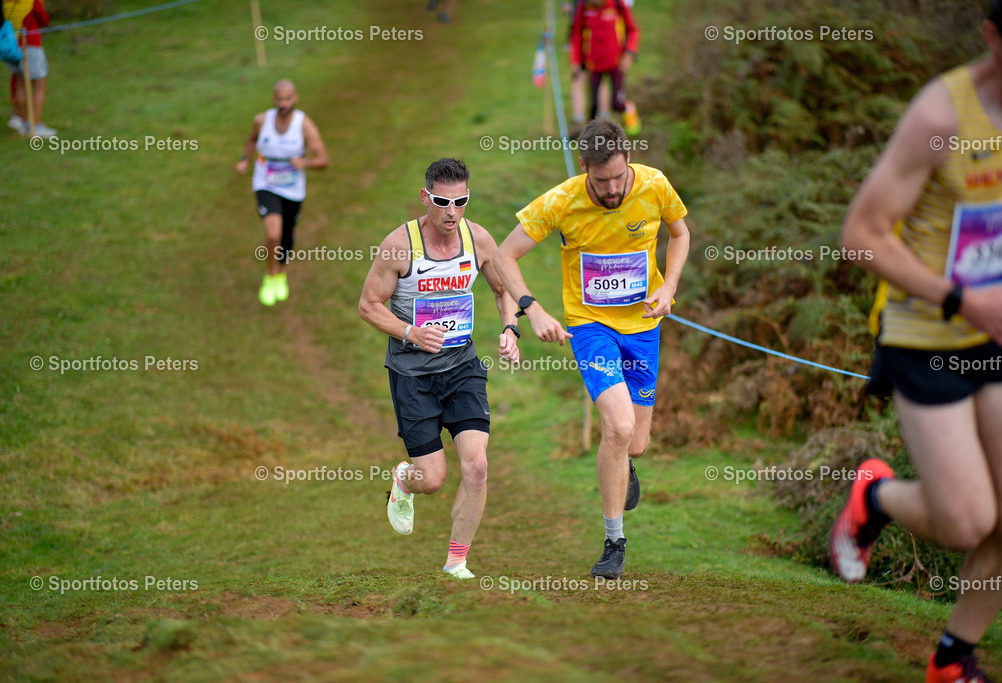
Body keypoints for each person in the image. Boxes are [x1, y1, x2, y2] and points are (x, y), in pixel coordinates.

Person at [830, 1, 1002, 680]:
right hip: (927, 327)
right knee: (969, 519)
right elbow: (861, 234)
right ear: (994, 39)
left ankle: (953, 656)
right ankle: (874, 495)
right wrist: (959, 294)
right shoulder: (941, 116)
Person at [494, 119, 690, 579]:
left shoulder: (655, 184)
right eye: (601, 181)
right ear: (584, 168)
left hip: (643, 327)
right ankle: (614, 540)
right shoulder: (562, 200)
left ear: (628, 160)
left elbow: (680, 234)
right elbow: (504, 255)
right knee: (618, 427)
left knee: (636, 442)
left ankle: (621, 462)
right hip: (591, 327)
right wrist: (532, 308)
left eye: (619, 177)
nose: (612, 189)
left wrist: (670, 287)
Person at [358, 158, 520, 579]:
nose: (452, 211)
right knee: (432, 479)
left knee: (477, 467)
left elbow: (504, 290)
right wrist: (410, 332)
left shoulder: (478, 239)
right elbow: (368, 305)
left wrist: (510, 329)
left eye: (461, 201)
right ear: (426, 198)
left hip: (462, 366)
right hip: (413, 375)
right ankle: (403, 480)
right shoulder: (399, 245)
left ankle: (456, 563)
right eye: (443, 202)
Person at [235, 79, 329, 307]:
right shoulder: (261, 120)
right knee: (273, 235)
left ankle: (281, 274)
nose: (284, 103)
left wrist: (304, 162)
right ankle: (271, 275)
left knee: (287, 236)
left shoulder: (304, 124)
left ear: (295, 98)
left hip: (293, 190)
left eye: (288, 99)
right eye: (279, 99)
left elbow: (323, 159)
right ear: (274, 99)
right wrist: (245, 159)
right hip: (266, 184)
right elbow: (251, 139)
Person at [570, 0, 639, 128]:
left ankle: (631, 117)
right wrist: (576, 61)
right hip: (594, 63)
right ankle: (593, 139)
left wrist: (629, 53)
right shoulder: (583, 7)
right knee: (594, 106)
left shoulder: (617, 4)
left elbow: (633, 30)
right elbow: (577, 34)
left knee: (617, 104)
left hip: (616, 63)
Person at [5, 0, 55, 138]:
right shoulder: (31, 1)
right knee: (39, 85)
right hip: (30, 44)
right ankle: (36, 126)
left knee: (20, 84)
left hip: (13, 45)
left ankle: (25, 124)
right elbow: (44, 19)